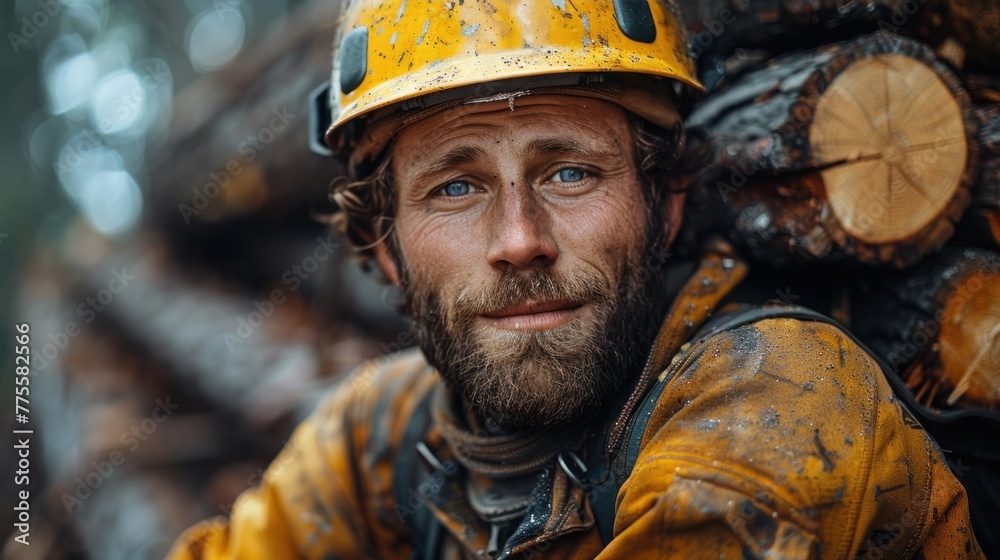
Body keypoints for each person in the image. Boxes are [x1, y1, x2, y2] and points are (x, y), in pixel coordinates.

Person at [167, 0, 983, 558]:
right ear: (385, 249)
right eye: (456, 187)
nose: (520, 241)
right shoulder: (383, 438)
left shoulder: (779, 397)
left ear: (664, 204)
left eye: (570, 174)